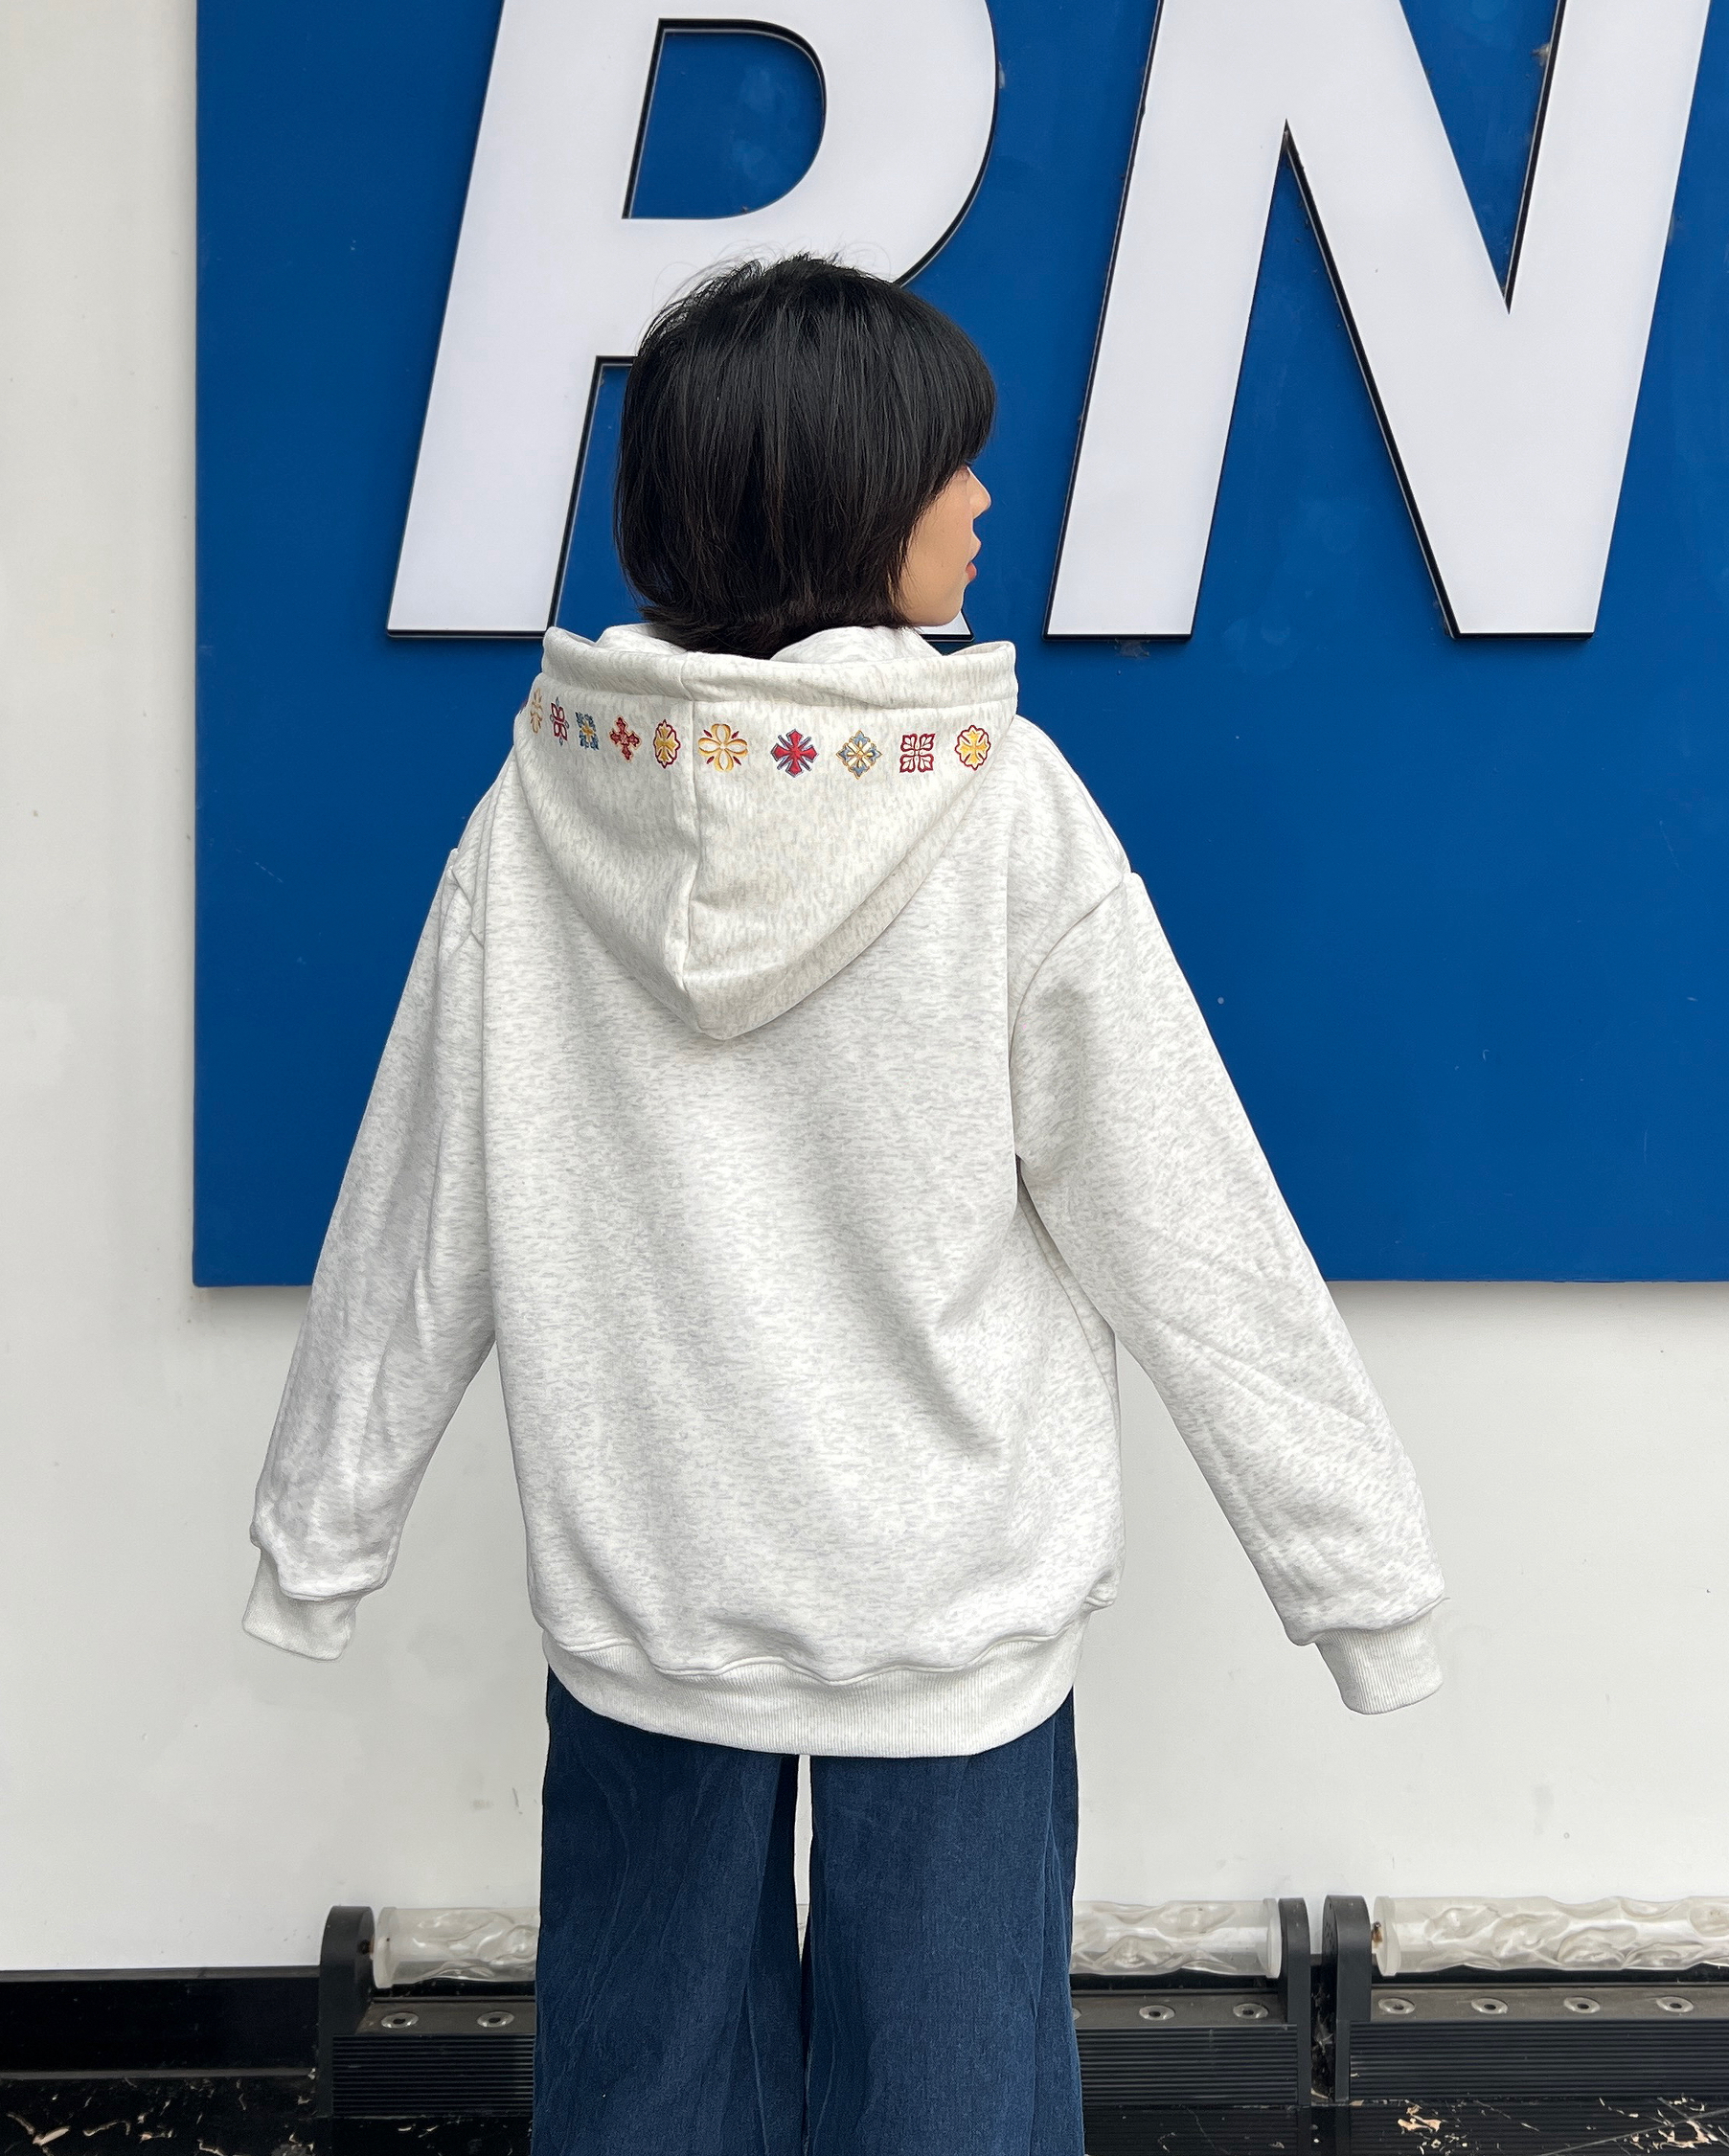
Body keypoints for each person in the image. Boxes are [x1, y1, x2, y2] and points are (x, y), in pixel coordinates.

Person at [242, 254, 1445, 2156]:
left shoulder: (536, 817)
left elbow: (414, 1220)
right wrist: (1361, 1584)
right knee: (953, 2104)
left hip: (651, 1586)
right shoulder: (1005, 813)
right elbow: (1189, 1224)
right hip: (950, 1606)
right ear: (839, 500)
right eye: (947, 467)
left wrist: (322, 1537)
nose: (983, 499)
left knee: (642, 2097)